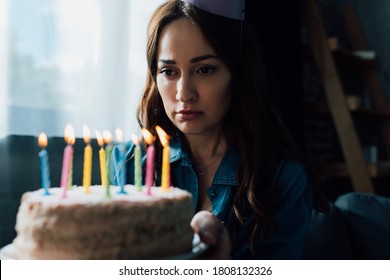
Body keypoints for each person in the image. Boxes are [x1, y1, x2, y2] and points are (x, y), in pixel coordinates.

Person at [111, 0, 328, 259]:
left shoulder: (284, 179)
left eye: (205, 69)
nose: (184, 94)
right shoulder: (128, 163)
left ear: (238, 75)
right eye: (169, 71)